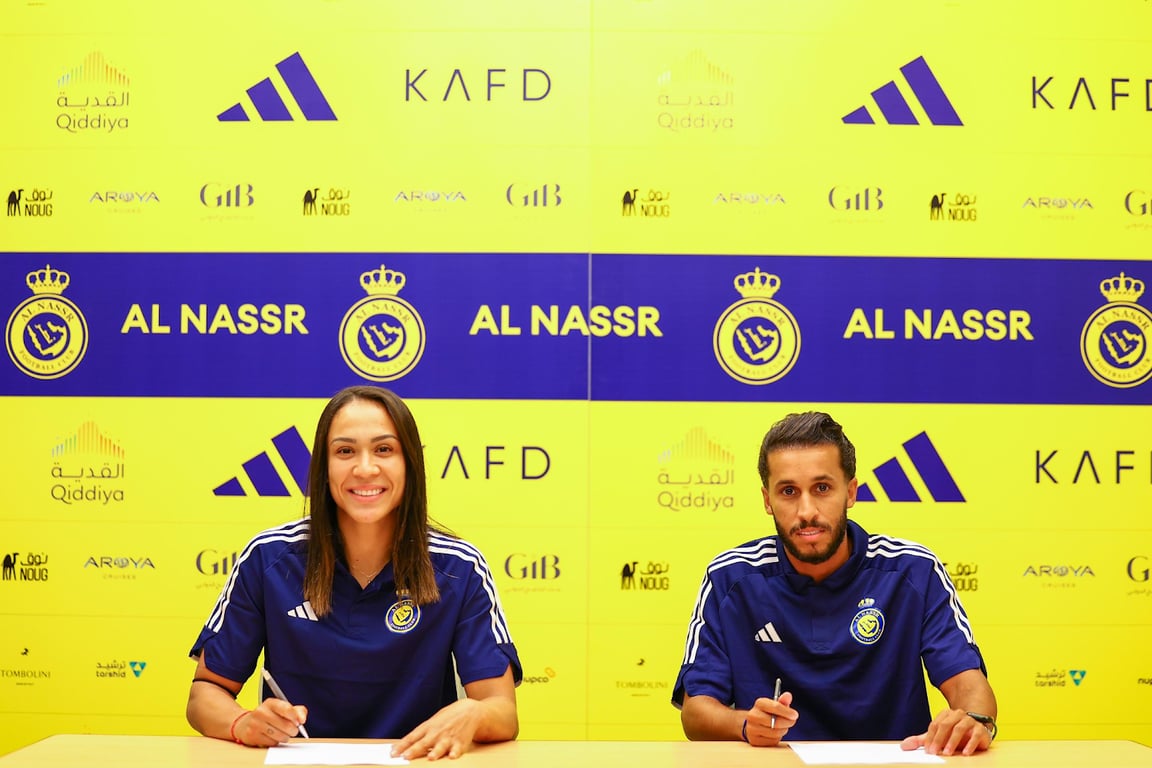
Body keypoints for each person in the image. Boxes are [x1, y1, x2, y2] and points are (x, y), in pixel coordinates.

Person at [187, 385, 521, 759]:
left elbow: (503, 712)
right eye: (345, 451)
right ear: (323, 467)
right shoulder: (267, 558)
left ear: (410, 463)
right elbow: (205, 694)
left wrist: (474, 713)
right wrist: (241, 723)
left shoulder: (460, 567)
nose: (365, 469)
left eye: (384, 449)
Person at [672, 411, 996, 756]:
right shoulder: (729, 577)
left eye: (822, 488)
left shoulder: (913, 570)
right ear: (768, 500)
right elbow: (696, 712)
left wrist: (972, 720)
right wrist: (744, 725)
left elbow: (967, 683)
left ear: (851, 492)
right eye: (788, 491)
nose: (807, 511)